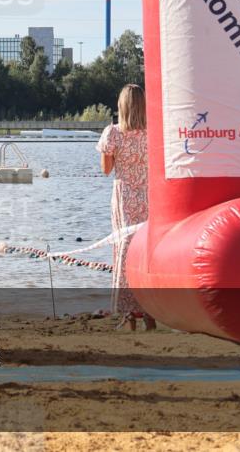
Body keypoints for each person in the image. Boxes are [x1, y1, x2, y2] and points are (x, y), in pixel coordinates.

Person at [96, 84, 155, 332]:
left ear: (122, 106)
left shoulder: (113, 133)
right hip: (150, 195)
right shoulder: (153, 132)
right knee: (147, 250)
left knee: (124, 250)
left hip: (125, 196)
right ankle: (151, 312)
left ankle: (128, 313)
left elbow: (106, 169)